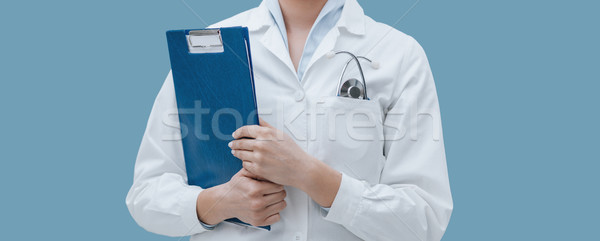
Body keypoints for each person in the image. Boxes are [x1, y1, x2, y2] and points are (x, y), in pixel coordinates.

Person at [126, 0, 453, 240]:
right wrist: (218, 203)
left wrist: (312, 177)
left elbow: (424, 219)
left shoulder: (400, 55)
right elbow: (145, 195)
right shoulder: (207, 47)